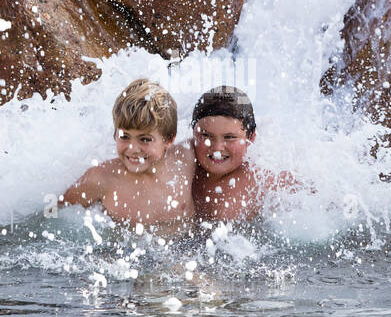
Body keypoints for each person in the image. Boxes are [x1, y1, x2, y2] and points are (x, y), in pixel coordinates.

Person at [59, 78, 195, 235]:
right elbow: (59, 214)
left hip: (184, 251)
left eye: (145, 139)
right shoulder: (101, 179)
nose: (132, 149)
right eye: (124, 137)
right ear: (115, 134)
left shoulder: (185, 159)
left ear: (169, 139)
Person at [190, 85, 294, 221]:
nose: (217, 148)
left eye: (229, 137)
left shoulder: (261, 180)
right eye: (206, 135)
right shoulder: (182, 166)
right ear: (193, 133)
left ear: (250, 138)